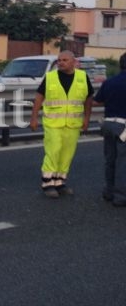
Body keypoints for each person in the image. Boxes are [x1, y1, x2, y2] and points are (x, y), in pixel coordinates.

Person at [29, 50, 93, 198]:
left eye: (64, 60)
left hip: (72, 123)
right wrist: (34, 117)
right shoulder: (50, 77)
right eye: (59, 60)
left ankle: (60, 182)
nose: (61, 62)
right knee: (53, 151)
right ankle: (48, 183)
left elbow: (88, 99)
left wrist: (87, 118)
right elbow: (39, 97)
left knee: (67, 154)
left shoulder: (82, 77)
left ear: (73, 62)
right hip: (53, 123)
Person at [93, 52, 126, 206]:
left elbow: (97, 101)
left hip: (108, 124)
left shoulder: (110, 82)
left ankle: (109, 191)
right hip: (124, 127)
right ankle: (121, 196)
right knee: (123, 162)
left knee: (110, 160)